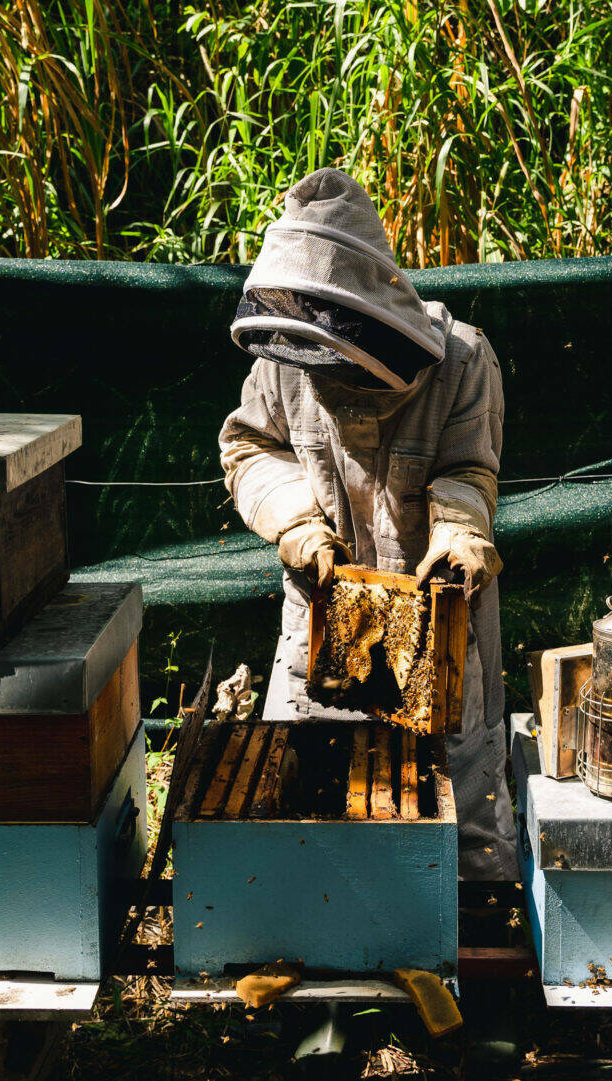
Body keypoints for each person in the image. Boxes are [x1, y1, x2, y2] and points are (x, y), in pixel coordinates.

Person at [218, 167, 516, 882]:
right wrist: (297, 523)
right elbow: (250, 446)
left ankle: (473, 930)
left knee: (461, 808)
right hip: (320, 610)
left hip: (437, 617)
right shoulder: (285, 361)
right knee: (301, 794)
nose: (326, 368)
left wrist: (457, 534)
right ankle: (316, 924)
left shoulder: (463, 360)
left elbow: (469, 467)